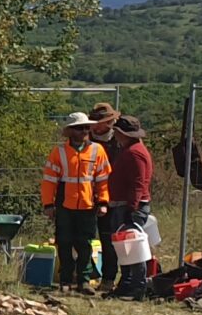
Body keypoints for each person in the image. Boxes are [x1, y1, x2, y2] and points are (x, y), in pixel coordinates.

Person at [39, 114, 111, 295]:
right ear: (70, 131)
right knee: (64, 242)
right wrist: (48, 204)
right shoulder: (59, 152)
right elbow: (49, 181)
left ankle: (83, 281)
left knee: (85, 244)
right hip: (65, 205)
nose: (84, 131)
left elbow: (103, 180)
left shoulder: (98, 150)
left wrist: (103, 202)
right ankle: (65, 281)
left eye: (87, 127)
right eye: (80, 128)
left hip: (88, 205)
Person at [102, 115, 156, 299]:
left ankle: (137, 287)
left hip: (129, 206)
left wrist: (131, 208)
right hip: (125, 205)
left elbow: (138, 183)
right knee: (125, 248)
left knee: (133, 249)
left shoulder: (135, 153)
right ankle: (126, 284)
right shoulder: (132, 150)